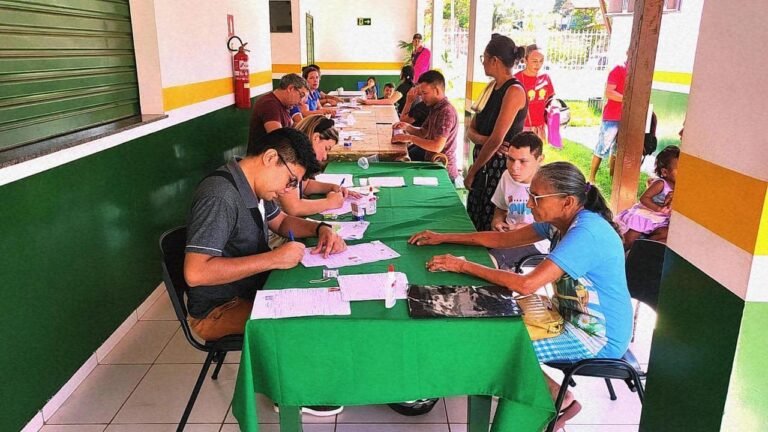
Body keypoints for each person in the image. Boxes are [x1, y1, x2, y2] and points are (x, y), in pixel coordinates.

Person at [409, 161, 633, 430]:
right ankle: (551, 395)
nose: (529, 204)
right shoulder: (558, 221)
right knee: (489, 327)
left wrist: (462, 264)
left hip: (597, 336)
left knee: (500, 347)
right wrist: (443, 238)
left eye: (536, 198)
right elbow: (500, 240)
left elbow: (526, 285)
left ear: (567, 201)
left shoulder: (587, 233)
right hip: (564, 315)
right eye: (530, 194)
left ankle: (554, 401)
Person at [184, 128, 346, 417]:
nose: (288, 190)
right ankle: (289, 394)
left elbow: (282, 221)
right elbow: (196, 273)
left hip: (250, 288)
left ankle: (306, 373)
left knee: (321, 293)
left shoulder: (254, 184)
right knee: (301, 318)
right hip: (217, 309)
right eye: (290, 181)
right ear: (271, 158)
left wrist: (320, 228)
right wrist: (272, 259)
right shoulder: (220, 196)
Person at [465, 34, 528, 232]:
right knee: (474, 215)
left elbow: (497, 140)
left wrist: (472, 171)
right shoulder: (491, 87)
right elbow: (471, 130)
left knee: (489, 218)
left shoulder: (514, 91)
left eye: (484, 58)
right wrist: (486, 140)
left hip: (497, 166)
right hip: (484, 159)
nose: (483, 63)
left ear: (495, 60)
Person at [277, 115, 361, 216]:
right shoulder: (290, 159)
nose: (325, 157)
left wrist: (332, 187)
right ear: (316, 138)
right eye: (326, 148)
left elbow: (305, 185)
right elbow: (294, 207)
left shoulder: (299, 157)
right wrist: (329, 202)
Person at [488, 132, 549, 270]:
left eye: (523, 161)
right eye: (510, 159)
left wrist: (523, 229)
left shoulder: (549, 185)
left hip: (536, 243)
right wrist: (497, 221)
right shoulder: (506, 176)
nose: (514, 167)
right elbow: (501, 207)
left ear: (540, 159)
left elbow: (554, 227)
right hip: (507, 237)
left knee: (490, 262)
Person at [391, 70, 459, 180]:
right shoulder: (435, 108)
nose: (422, 97)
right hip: (432, 165)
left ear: (436, 90)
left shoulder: (446, 111)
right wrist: (407, 127)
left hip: (443, 170)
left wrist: (409, 138)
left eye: (424, 93)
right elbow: (423, 132)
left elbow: (437, 146)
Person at [616, 146, 679, 249]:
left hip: (661, 219)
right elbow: (644, 198)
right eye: (679, 170)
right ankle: (621, 251)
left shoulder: (681, 187)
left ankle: (641, 249)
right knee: (631, 238)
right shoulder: (661, 184)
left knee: (665, 234)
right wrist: (658, 208)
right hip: (646, 214)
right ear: (664, 172)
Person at [588, 59, 628, 184]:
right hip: (613, 116)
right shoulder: (618, 69)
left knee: (618, 149)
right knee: (602, 147)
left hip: (627, 117)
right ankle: (591, 178)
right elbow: (609, 93)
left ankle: (613, 178)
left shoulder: (637, 73)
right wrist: (628, 99)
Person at [248, 73, 308, 154]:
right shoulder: (269, 104)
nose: (301, 102)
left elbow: (290, 128)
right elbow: (278, 139)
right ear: (291, 89)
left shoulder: (285, 105)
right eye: (301, 95)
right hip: (262, 160)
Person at [514, 44, 556, 145]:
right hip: (521, 128)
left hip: (539, 128)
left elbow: (551, 99)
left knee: (537, 158)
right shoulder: (516, 79)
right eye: (534, 61)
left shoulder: (546, 78)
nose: (538, 65)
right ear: (525, 60)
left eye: (541, 61)